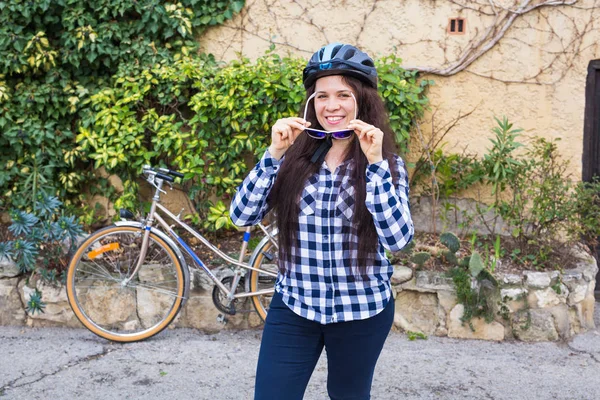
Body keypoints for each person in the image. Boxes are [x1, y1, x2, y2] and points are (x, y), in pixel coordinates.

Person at [230, 43, 414, 400]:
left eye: (343, 94)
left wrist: (374, 164)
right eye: (321, 96)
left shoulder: (387, 165)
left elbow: (398, 240)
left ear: (362, 100)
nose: (331, 106)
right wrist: (274, 154)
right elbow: (241, 216)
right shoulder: (292, 157)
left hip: (361, 310)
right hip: (296, 306)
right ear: (311, 103)